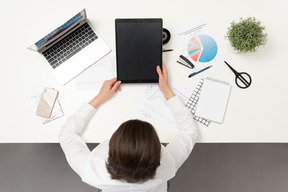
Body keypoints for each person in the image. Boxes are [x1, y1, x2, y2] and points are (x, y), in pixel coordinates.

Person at [59, 62, 198, 192]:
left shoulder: (91, 170)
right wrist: (167, 90)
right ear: (159, 154)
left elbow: (67, 133)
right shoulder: (168, 164)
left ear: (108, 151)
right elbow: (189, 130)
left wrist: (100, 97)